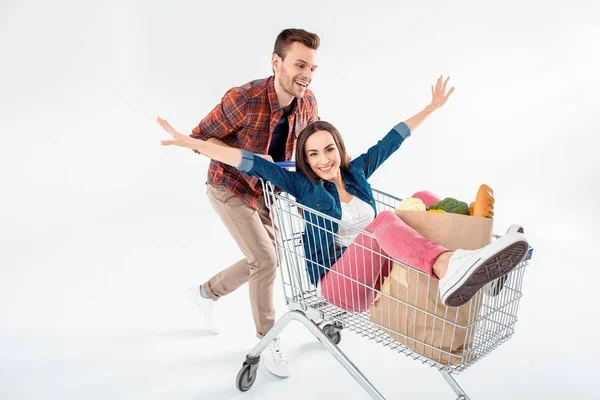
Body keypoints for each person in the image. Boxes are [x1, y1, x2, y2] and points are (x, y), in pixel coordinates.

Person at [158, 75, 530, 320]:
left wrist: (430, 109)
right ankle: (452, 265)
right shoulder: (302, 185)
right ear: (305, 160)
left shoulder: (357, 172)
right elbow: (248, 161)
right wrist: (191, 143)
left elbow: (392, 140)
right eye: (313, 154)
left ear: (340, 149)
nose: (323, 160)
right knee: (386, 220)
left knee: (423, 197)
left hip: (379, 269)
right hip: (340, 284)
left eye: (329, 150)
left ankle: (479, 256)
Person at [182, 28, 320, 377]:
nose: (306, 74)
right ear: (277, 62)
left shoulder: (309, 102)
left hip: (268, 194)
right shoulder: (245, 98)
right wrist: (252, 157)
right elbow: (198, 139)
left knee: (263, 260)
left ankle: (205, 294)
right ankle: (266, 340)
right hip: (230, 185)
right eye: (299, 64)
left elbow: (311, 148)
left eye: (312, 68)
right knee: (266, 259)